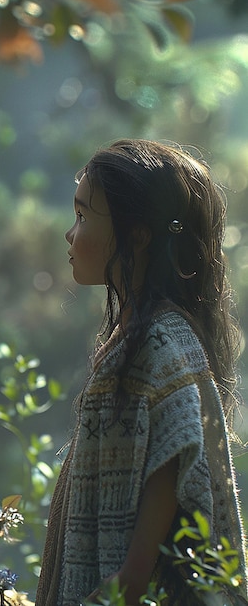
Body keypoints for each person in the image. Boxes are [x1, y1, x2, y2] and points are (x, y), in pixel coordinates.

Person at [35, 139, 248, 605]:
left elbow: (136, 572)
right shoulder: (135, 339)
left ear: (137, 236)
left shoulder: (162, 345)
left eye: (85, 217)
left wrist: (119, 583)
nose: (71, 235)